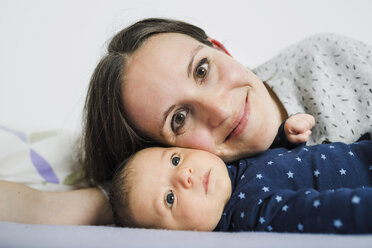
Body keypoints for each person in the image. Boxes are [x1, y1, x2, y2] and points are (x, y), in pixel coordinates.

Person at [1, 18, 371, 225]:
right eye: (178, 119)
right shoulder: (201, 189)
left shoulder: (325, 61)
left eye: (203, 69)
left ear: (219, 48)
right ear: (162, 151)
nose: (221, 109)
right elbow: (40, 209)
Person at [109, 114, 372, 233]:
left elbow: (275, 164)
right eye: (169, 198)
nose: (185, 175)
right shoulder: (249, 212)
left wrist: (284, 136)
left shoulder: (234, 167)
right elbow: (315, 211)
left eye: (175, 159)